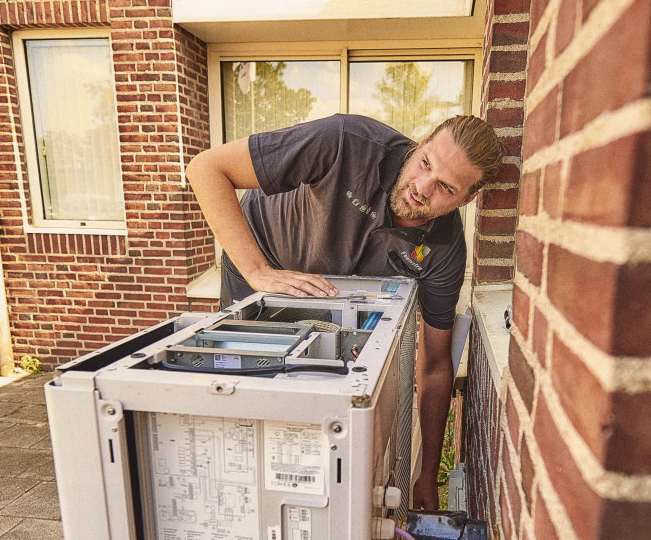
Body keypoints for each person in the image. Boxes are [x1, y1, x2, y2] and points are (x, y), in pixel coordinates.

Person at [186, 113, 504, 511]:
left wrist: (427, 472)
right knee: (245, 392)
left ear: (467, 199)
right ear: (420, 144)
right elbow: (205, 168)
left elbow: (436, 364)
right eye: (426, 163)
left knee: (318, 410)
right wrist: (256, 271)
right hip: (264, 263)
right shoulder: (345, 142)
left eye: (445, 187)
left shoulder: (444, 251)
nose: (422, 188)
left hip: (336, 295)